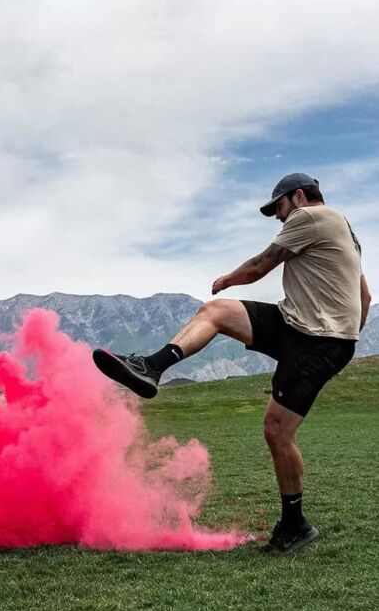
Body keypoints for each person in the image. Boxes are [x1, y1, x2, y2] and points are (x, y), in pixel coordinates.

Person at [93, 173, 372, 554]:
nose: (278, 217)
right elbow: (365, 294)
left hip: (317, 340)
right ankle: (151, 367)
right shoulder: (346, 235)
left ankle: (295, 525)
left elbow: (262, 265)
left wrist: (227, 278)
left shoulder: (309, 218)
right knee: (218, 313)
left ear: (300, 197)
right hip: (299, 326)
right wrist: (350, 340)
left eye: (279, 208)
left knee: (277, 431)